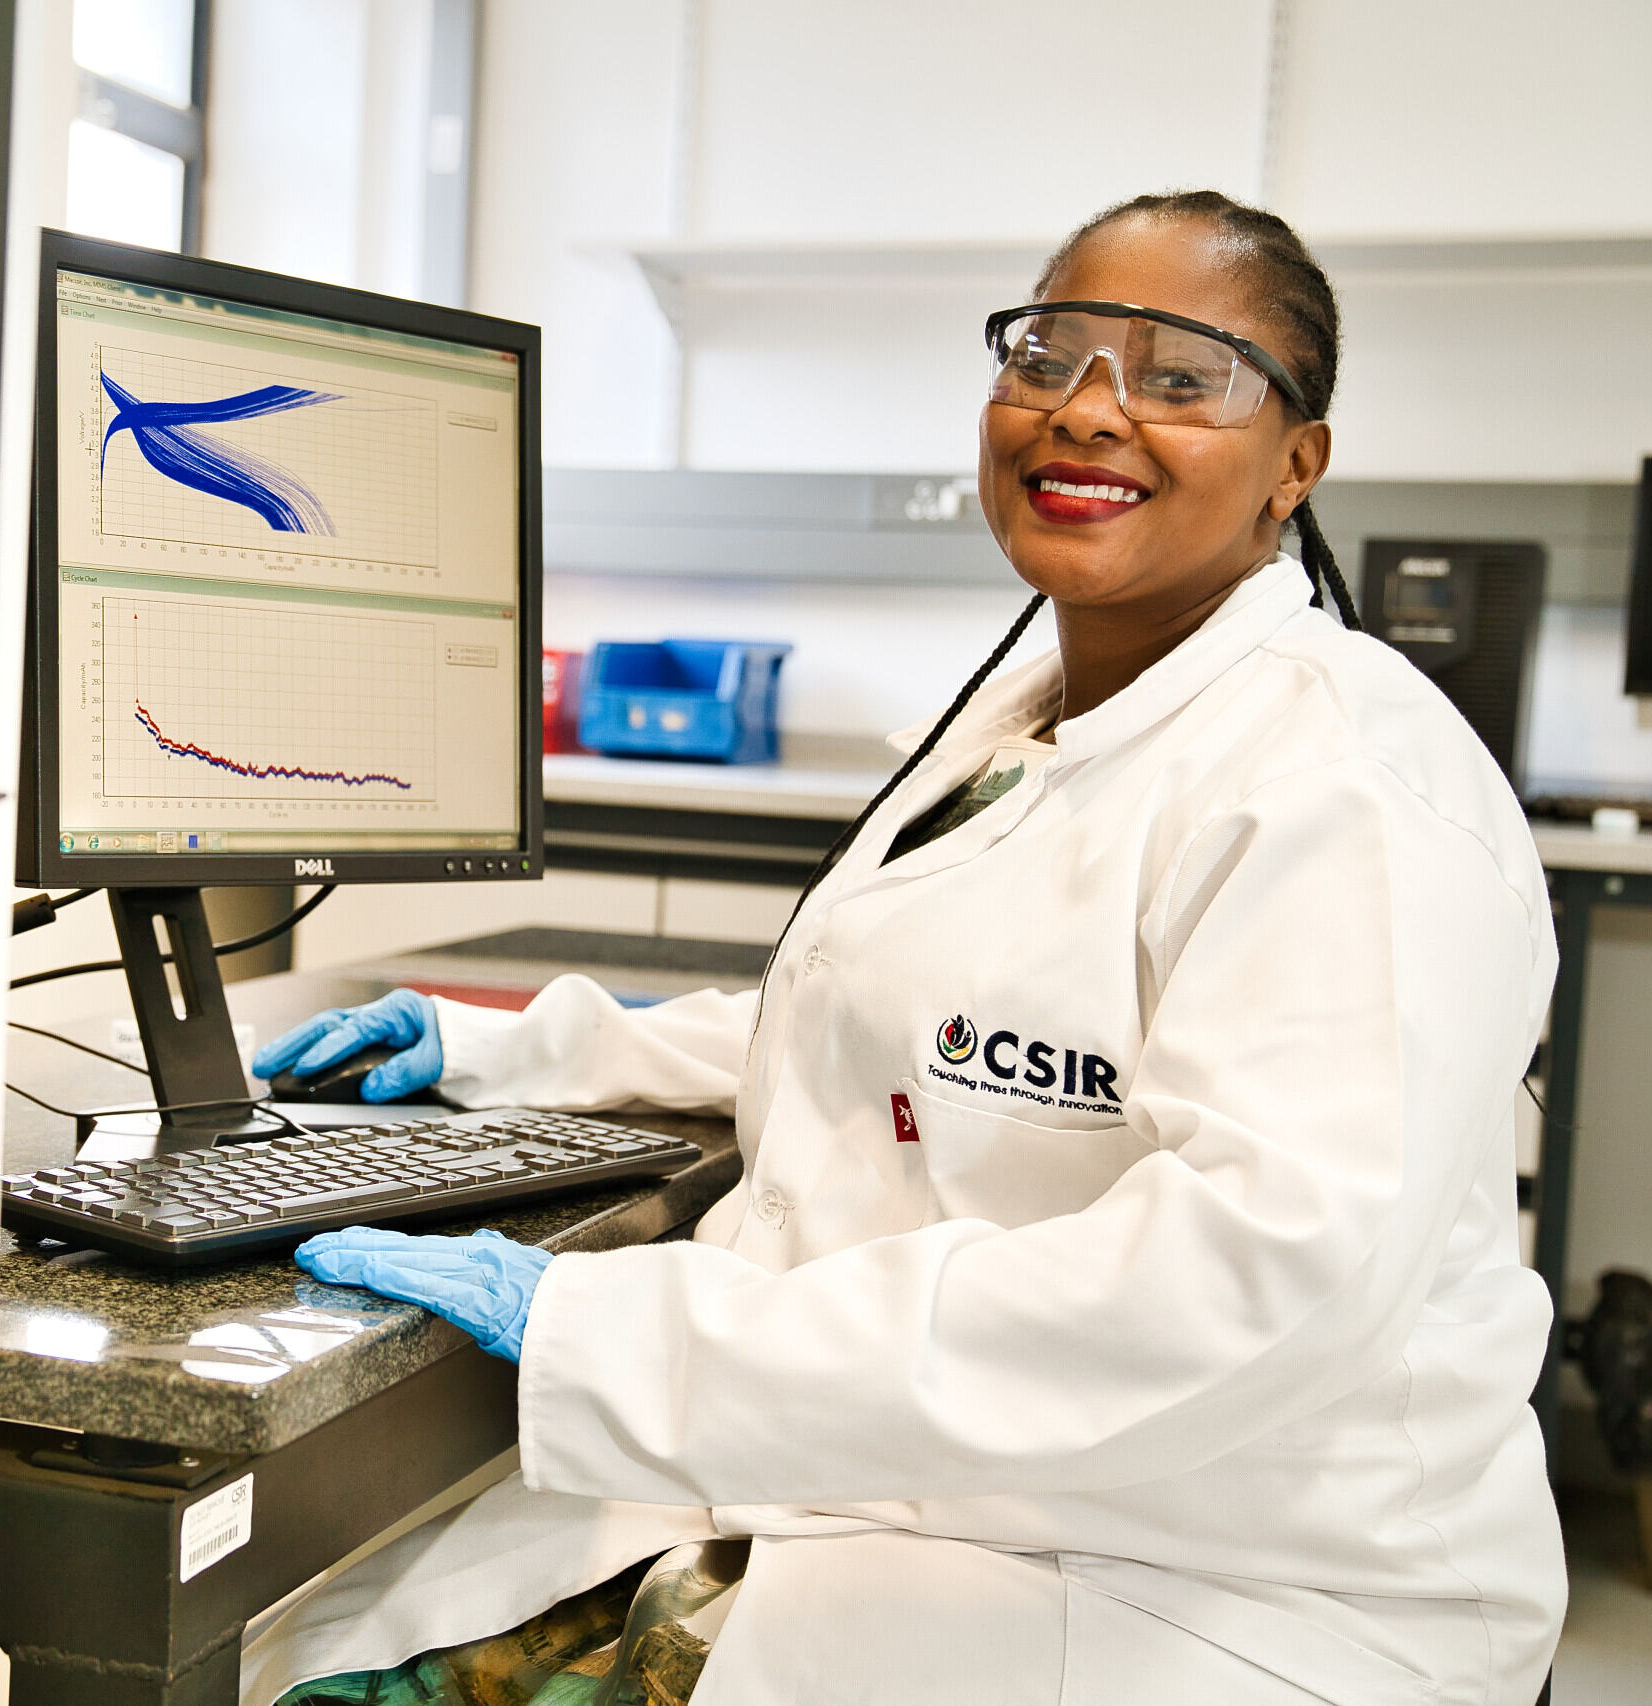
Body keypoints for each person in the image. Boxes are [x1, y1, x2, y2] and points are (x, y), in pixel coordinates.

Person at [244, 191, 1563, 1706]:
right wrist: (520, 1047)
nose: (1089, 413)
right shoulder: (1034, 723)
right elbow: (907, 1030)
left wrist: (625, 1329)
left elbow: (1243, 1288)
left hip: (1223, 1599)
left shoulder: (1350, 788)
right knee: (309, 1652)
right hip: (924, 1509)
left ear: (1295, 468)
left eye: (1182, 378)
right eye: (1049, 356)